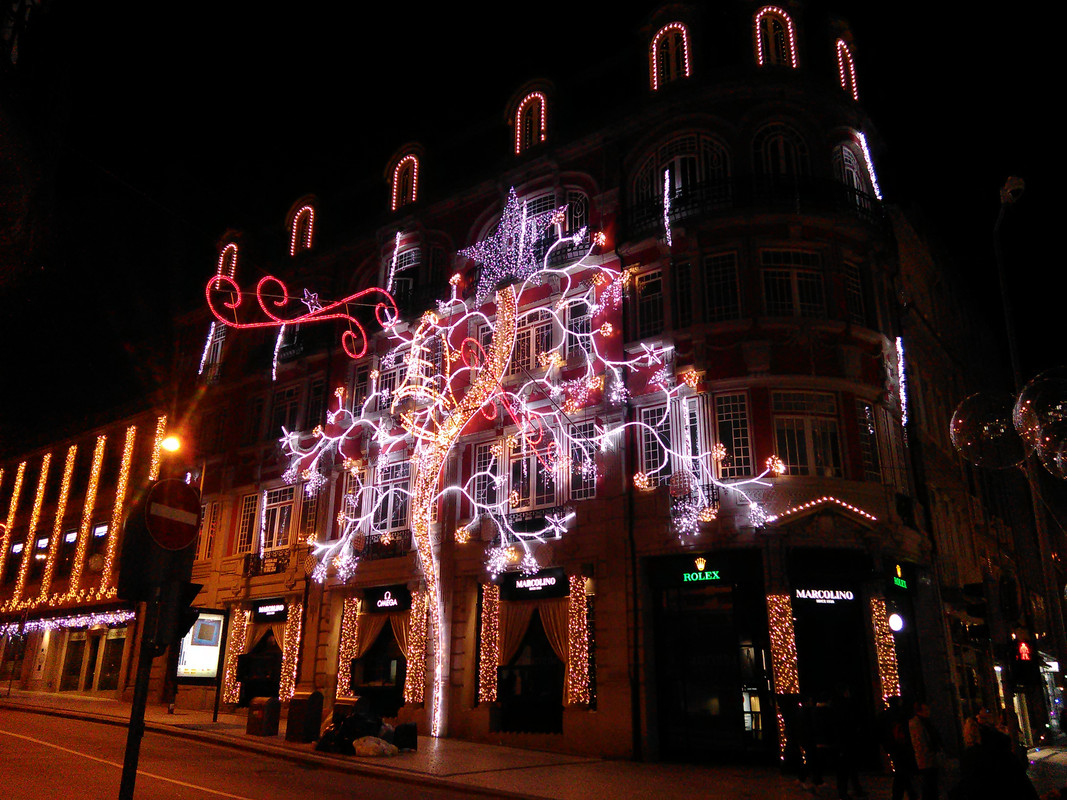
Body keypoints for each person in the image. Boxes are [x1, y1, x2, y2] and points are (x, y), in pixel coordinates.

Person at [879, 695, 917, 800]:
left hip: (892, 747)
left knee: (901, 770)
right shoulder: (903, 714)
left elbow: (880, 732)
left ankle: (905, 793)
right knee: (903, 772)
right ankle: (906, 793)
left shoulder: (884, 716)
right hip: (902, 746)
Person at [909, 700, 942, 800]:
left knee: (930, 784)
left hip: (929, 758)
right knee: (929, 784)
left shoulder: (923, 722)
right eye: (926, 710)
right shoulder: (918, 723)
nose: (929, 712)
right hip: (926, 759)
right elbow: (920, 743)